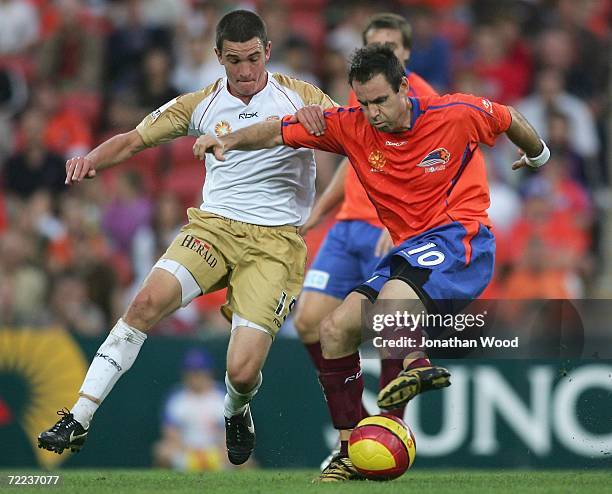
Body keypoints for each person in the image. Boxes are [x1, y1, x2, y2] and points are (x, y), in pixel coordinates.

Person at [192, 44, 550, 481]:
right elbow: (274, 131)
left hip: (463, 240)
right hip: (410, 252)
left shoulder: (455, 113)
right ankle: (348, 449)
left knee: (391, 301)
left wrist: (538, 156)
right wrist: (225, 138)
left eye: (380, 100)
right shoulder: (352, 126)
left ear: (404, 87)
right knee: (334, 330)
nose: (373, 112)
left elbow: (510, 118)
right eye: (363, 103)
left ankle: (415, 360)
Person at [37, 10, 336, 467]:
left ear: (268, 53)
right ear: (218, 57)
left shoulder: (302, 96)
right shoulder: (200, 104)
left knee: (241, 370)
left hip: (276, 245)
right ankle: (78, 415)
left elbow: (351, 131)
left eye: (254, 58)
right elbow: (136, 138)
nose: (246, 70)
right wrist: (91, 158)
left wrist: (325, 121)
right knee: (143, 304)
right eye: (235, 60)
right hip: (213, 229)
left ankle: (236, 409)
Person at [293, 13, 439, 436]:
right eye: (376, 46)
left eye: (392, 47)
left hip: (390, 230)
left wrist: (404, 224)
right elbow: (355, 161)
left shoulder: (424, 100)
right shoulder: (362, 98)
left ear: (406, 53)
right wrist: (319, 213)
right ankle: (355, 425)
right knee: (309, 321)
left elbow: (434, 171)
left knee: (393, 326)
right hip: (346, 226)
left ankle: (389, 431)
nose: (385, 53)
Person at [153, 349, 227, 471]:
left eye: (199, 371)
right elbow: (170, 433)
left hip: (216, 453)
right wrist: (189, 452)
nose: (195, 376)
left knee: (244, 457)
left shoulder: (221, 396)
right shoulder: (176, 397)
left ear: (209, 372)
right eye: (191, 372)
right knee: (161, 451)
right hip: (185, 452)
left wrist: (219, 452)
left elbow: (228, 433)